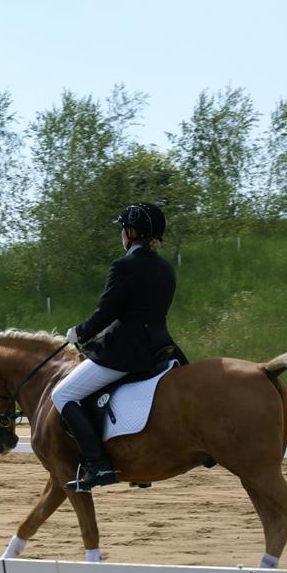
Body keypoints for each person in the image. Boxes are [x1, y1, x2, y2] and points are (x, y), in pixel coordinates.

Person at [50, 201, 185, 492]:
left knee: (62, 394)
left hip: (125, 352)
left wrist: (79, 333)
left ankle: (98, 465)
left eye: (124, 229)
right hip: (161, 348)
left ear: (132, 232)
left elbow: (105, 313)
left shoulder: (124, 266)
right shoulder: (165, 268)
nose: (122, 234)